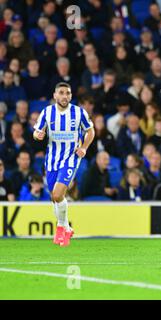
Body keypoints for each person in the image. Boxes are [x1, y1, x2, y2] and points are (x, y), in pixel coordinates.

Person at [33, 82, 95, 247]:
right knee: (55, 198)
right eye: (61, 93)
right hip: (52, 160)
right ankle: (67, 227)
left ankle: (61, 227)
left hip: (70, 158)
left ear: (71, 96)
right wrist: (37, 135)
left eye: (67, 93)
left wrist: (84, 147)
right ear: (55, 96)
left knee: (58, 194)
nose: (64, 96)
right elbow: (36, 131)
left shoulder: (78, 112)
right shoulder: (47, 112)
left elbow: (90, 130)